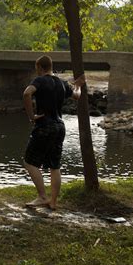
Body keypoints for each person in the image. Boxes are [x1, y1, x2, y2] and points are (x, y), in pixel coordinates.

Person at [22, 55, 85, 210]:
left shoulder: (40, 80)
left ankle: (42, 197)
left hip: (45, 125)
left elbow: (26, 93)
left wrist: (31, 116)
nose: (36, 71)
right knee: (54, 166)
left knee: (29, 162)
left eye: (37, 68)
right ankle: (53, 202)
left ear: (40, 67)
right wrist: (78, 85)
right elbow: (77, 95)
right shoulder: (62, 83)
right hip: (60, 126)